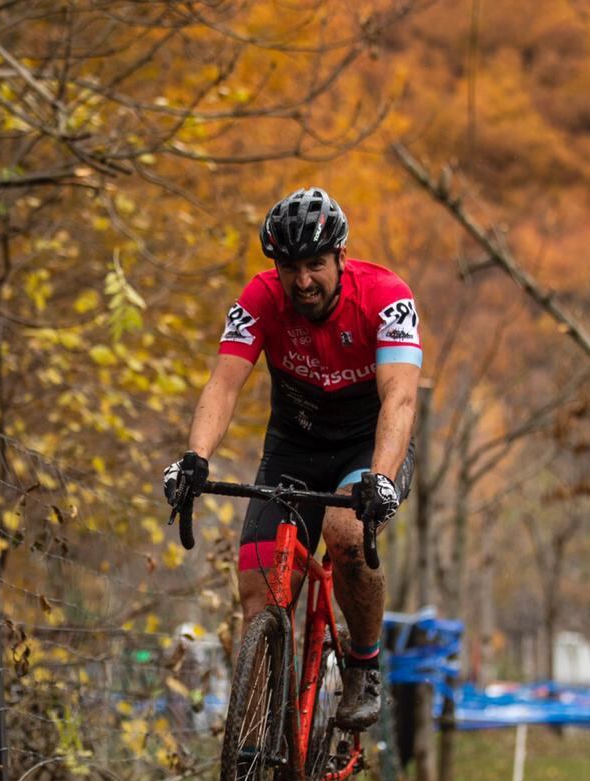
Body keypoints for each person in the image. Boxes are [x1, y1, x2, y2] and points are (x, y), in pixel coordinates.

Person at [163, 187, 421, 732]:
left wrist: (381, 477)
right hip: (294, 448)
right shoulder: (259, 298)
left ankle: (364, 663)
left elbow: (399, 397)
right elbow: (224, 384)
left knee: (346, 535)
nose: (302, 280)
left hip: (368, 445)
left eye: (315, 265)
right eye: (289, 267)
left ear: (341, 259)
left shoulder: (386, 297)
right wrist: (195, 457)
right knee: (259, 595)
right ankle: (254, 752)